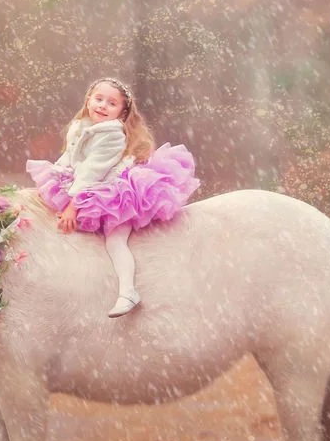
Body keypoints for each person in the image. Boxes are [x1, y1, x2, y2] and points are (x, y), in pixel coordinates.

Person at [26, 77, 200, 317]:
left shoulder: (113, 134)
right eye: (98, 99)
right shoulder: (81, 126)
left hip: (117, 191)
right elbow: (69, 158)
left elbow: (92, 171)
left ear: (122, 112)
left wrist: (73, 206)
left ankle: (128, 291)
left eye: (111, 103)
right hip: (90, 184)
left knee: (115, 241)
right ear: (88, 100)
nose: (102, 106)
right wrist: (54, 177)